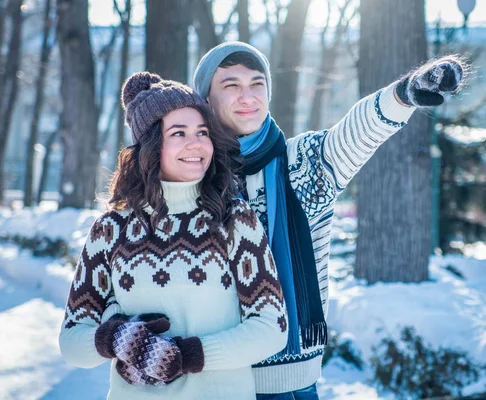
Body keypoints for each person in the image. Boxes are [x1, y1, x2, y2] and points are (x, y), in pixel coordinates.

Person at [191, 41, 467, 399]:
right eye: (231, 85)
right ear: (206, 99)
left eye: (257, 83)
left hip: (294, 383)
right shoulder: (192, 175)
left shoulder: (303, 164)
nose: (248, 96)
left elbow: (356, 131)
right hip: (213, 380)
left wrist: (403, 94)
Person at [58, 72, 288, 400]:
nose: (196, 144)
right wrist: (117, 339)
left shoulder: (235, 221)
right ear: (152, 145)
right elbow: (72, 342)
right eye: (178, 133)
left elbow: (271, 328)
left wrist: (188, 356)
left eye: (203, 132)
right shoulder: (111, 229)